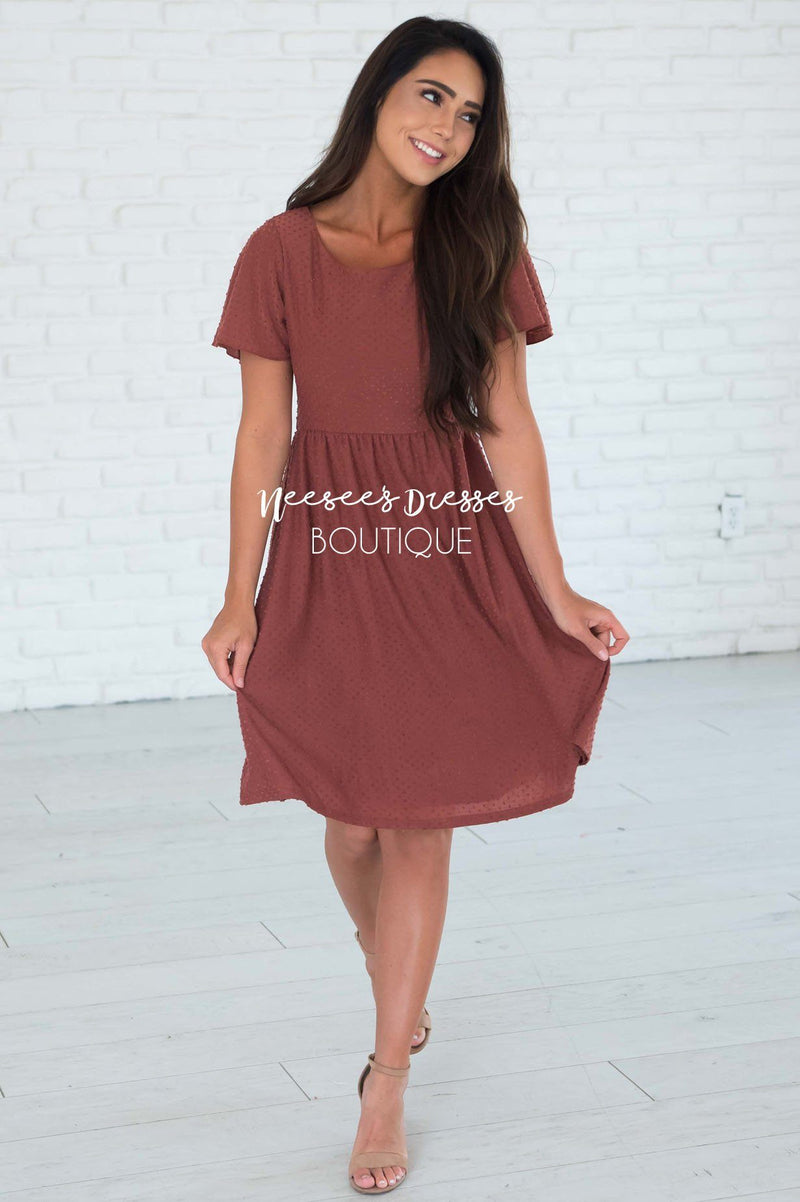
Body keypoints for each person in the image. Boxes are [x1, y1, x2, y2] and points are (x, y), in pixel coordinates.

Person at [202, 15, 629, 1195]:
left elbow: (507, 425)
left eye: (471, 113)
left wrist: (554, 585)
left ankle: (384, 1073)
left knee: (417, 819)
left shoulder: (478, 245)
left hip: (449, 554)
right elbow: (261, 437)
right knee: (350, 821)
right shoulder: (279, 250)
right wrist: (236, 595)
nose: (448, 127)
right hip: (333, 555)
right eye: (432, 95)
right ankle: (378, 947)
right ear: (378, 93)